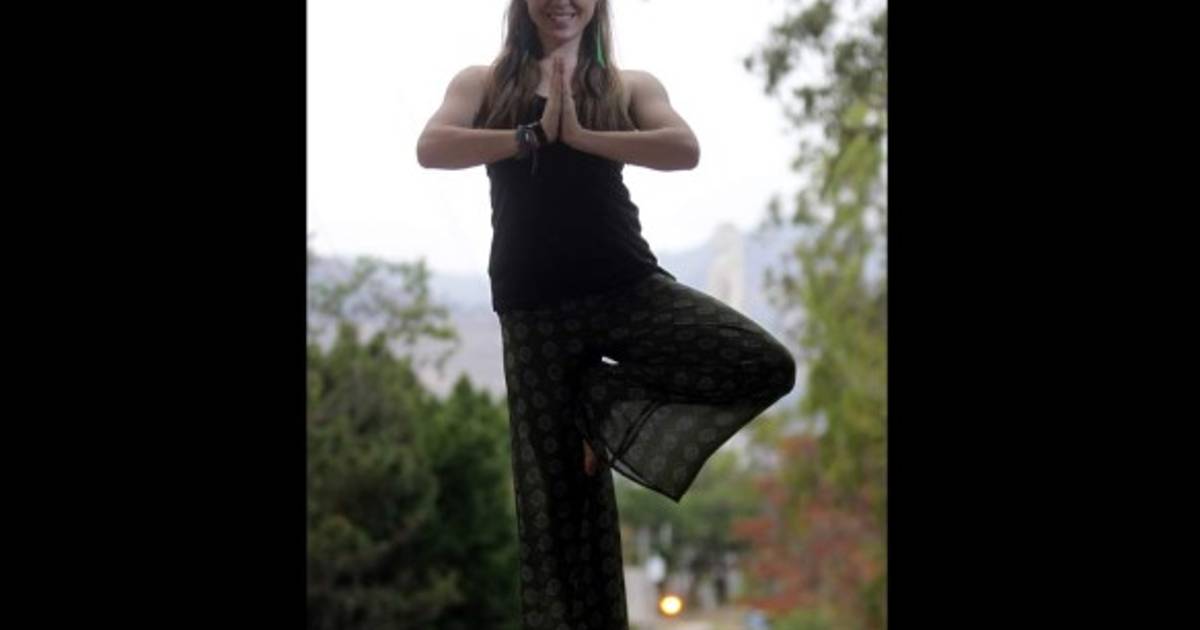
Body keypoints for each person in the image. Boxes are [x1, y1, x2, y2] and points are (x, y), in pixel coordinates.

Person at [416, 2, 796, 627]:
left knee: (762, 363)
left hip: (624, 283)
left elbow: (683, 149)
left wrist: (580, 136)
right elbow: (433, 147)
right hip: (534, 306)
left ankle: (604, 403)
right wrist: (529, 135)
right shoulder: (483, 83)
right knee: (558, 513)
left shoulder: (627, 85)